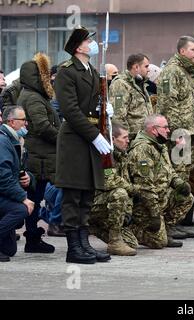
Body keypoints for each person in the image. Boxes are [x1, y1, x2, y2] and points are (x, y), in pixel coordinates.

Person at [54, 26, 112, 264]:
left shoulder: (90, 71)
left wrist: (103, 109)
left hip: (88, 138)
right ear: (78, 47)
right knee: (73, 195)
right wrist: (94, 135)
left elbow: (89, 105)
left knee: (87, 194)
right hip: (75, 138)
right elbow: (71, 110)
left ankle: (84, 243)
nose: (93, 44)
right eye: (89, 41)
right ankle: (73, 248)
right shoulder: (67, 71)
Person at [127, 115, 194, 248]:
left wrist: (179, 183)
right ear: (153, 130)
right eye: (165, 127)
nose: (168, 130)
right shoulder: (142, 149)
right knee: (159, 243)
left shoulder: (160, 145)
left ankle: (166, 228)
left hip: (161, 197)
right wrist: (154, 213)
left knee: (186, 197)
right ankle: (133, 229)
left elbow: (169, 171)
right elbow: (144, 187)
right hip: (145, 204)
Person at [18, 53, 61, 253]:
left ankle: (33, 238)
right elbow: (43, 126)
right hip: (39, 158)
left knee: (35, 198)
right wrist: (63, 138)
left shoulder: (32, 95)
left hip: (40, 156)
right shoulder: (33, 97)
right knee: (34, 199)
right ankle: (32, 239)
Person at [156, 36, 194, 183]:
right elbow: (167, 105)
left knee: (190, 177)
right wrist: (177, 133)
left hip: (193, 134)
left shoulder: (191, 72)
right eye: (193, 50)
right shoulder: (172, 71)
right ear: (182, 51)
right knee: (179, 178)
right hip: (180, 136)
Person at [90, 122, 138, 256]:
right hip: (93, 203)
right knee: (120, 193)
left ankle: (94, 228)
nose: (128, 141)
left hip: (106, 203)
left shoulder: (122, 155)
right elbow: (109, 181)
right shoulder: (104, 153)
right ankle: (114, 242)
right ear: (112, 139)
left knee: (132, 243)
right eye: (124, 137)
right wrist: (131, 189)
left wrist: (127, 211)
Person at [0, 106, 35, 262]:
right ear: (12, 122)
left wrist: (29, 178)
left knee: (9, 250)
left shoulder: (16, 140)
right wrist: (23, 198)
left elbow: (19, 170)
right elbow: (3, 177)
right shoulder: (2, 141)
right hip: (2, 193)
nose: (25, 124)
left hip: (5, 193)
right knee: (21, 209)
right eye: (23, 120)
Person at [110, 54, 152, 141]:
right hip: (132, 139)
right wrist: (126, 139)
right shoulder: (121, 84)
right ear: (136, 67)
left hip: (144, 138)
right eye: (146, 66)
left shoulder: (140, 83)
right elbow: (118, 116)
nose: (148, 70)